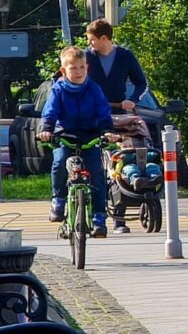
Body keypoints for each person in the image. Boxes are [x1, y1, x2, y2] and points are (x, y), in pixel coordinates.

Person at [39, 46, 113, 238]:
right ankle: (58, 200)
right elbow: (50, 112)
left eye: (82, 67)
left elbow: (103, 111)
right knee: (59, 161)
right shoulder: (58, 90)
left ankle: (99, 217)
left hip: (90, 134)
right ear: (64, 71)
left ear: (87, 68)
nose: (78, 72)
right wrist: (46, 130)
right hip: (66, 134)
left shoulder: (93, 89)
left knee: (97, 172)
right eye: (73, 68)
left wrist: (108, 131)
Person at [85, 19, 148, 234]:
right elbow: (68, 78)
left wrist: (133, 99)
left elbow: (141, 82)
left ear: (104, 38)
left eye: (92, 40)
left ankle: (119, 219)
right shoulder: (86, 57)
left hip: (118, 113)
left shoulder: (124, 56)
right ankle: (93, 212)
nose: (89, 44)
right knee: (96, 166)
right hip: (93, 115)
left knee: (118, 163)